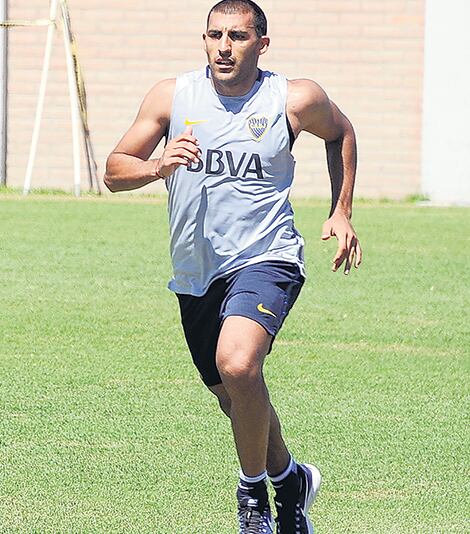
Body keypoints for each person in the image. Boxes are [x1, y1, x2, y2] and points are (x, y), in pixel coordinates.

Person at [104, 1, 361, 532]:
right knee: (236, 397)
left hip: (268, 256)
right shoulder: (172, 96)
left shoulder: (294, 98)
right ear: (203, 39)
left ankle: (252, 501)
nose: (224, 46)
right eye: (215, 35)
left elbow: (340, 133)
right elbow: (113, 170)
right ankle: (291, 481)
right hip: (196, 273)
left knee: (240, 365)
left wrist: (341, 211)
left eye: (238, 36)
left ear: (261, 45)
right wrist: (159, 164)